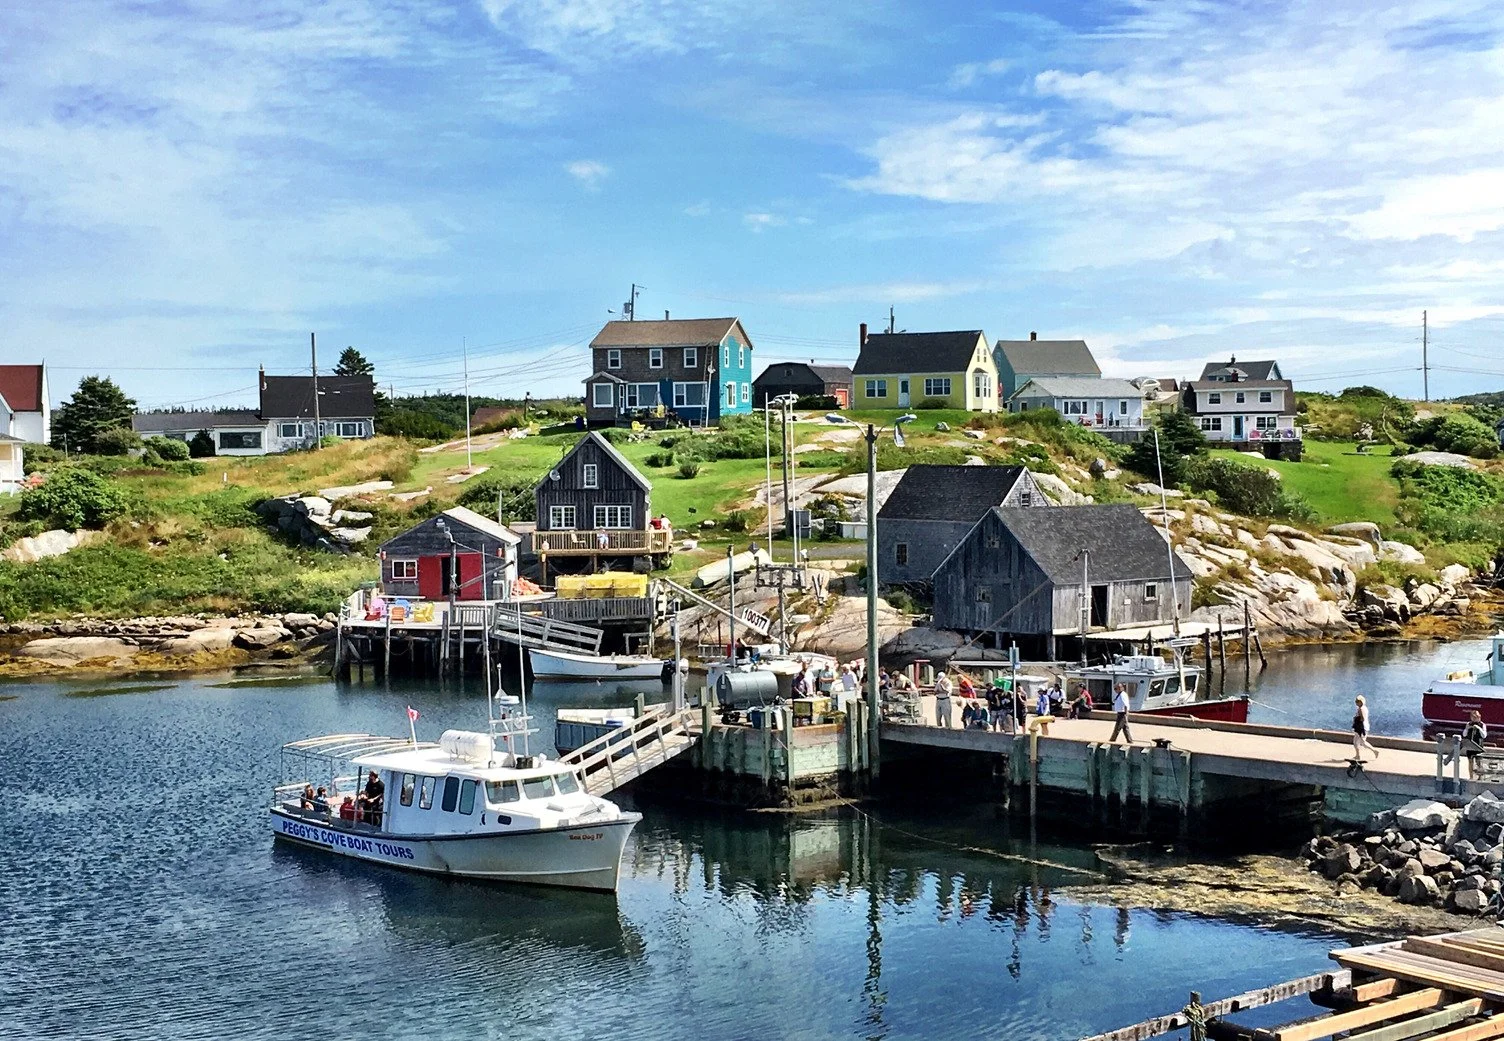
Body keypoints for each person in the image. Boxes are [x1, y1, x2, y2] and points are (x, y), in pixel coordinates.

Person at [1352, 695, 1378, 762]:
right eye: (1356, 701)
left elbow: (1362, 718)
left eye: (1357, 701)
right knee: (1356, 742)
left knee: (1361, 742)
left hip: (1361, 728)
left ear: (1361, 702)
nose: (1356, 703)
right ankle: (1357, 755)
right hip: (1363, 727)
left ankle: (1374, 751)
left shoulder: (1361, 709)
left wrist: (1356, 718)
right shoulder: (1364, 708)